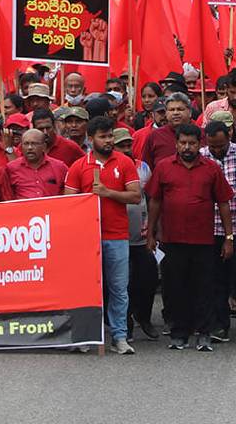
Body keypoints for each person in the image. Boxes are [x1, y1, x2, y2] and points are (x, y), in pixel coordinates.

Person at [147, 123, 235, 350]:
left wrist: (228, 237)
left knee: (204, 287)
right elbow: (155, 201)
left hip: (204, 240)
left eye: (192, 143)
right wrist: (151, 233)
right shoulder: (164, 167)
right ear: (176, 144)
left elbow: (223, 202)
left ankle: (204, 333)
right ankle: (179, 333)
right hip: (172, 238)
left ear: (199, 144)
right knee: (175, 287)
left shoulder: (211, 168)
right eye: (183, 143)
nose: (187, 147)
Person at [64, 117, 140, 355]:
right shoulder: (78, 167)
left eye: (110, 136)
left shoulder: (124, 162)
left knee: (119, 288)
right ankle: (85, 335)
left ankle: (119, 336)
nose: (108, 141)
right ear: (91, 139)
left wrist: (108, 193)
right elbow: (68, 202)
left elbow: (135, 196)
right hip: (88, 237)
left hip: (117, 236)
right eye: (103, 137)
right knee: (86, 289)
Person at [202, 120, 236, 341]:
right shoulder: (201, 157)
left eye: (220, 146)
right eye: (212, 146)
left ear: (229, 137)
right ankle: (220, 326)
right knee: (217, 279)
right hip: (211, 228)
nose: (215, 150)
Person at [7, 129, 69, 198]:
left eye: (34, 144)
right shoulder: (11, 168)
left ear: (44, 146)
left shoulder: (59, 167)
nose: (30, 148)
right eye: (26, 144)